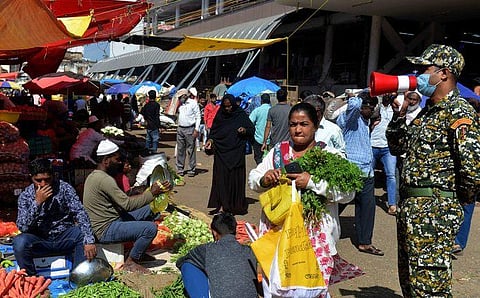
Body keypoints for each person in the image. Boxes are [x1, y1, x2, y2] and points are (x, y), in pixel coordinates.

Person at [386, 44, 480, 297]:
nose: (419, 75)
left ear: (444, 73)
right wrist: (399, 115)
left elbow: (472, 170)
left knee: (431, 289)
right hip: (411, 209)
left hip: (435, 212)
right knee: (412, 284)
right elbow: (397, 147)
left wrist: (451, 204)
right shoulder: (427, 113)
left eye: (424, 68)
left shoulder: (459, 111)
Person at [249, 103, 356, 297]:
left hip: (314, 240)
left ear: (315, 126)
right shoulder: (277, 153)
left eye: (304, 124)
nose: (298, 129)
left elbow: (348, 193)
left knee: (311, 290)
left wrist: (312, 182)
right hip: (278, 237)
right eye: (293, 124)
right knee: (277, 288)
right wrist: (264, 179)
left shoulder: (329, 155)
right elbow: (254, 179)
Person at [83, 139, 170, 273]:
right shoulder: (104, 180)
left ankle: (137, 252)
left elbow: (122, 203)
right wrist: (152, 193)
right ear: (106, 160)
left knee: (149, 210)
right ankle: (131, 262)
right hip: (104, 230)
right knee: (150, 229)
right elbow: (127, 205)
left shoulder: (96, 176)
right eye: (117, 160)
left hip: (112, 220)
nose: (120, 163)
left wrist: (148, 195)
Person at [13, 158, 96, 276]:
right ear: (31, 178)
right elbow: (23, 227)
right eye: (38, 180)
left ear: (53, 176)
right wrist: (37, 203)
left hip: (64, 235)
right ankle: (32, 281)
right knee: (19, 242)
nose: (43, 184)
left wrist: (89, 240)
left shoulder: (64, 188)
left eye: (47, 180)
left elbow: (80, 212)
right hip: (39, 239)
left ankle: (79, 277)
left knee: (82, 234)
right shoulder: (26, 196)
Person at [337, 91, 384, 256]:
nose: (369, 108)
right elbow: (355, 105)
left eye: (372, 106)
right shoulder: (350, 119)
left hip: (367, 172)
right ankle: (318, 230)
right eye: (366, 105)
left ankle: (365, 242)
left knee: (367, 208)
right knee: (338, 203)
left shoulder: (366, 121)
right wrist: (358, 95)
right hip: (351, 170)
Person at [176, 212, 259, 298]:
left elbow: (180, 262)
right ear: (235, 231)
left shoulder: (207, 249)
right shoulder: (249, 251)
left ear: (214, 233)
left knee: (187, 265)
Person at [205, 94, 255, 215]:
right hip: (221, 154)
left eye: (230, 106)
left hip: (236, 154)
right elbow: (214, 132)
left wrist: (244, 130)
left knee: (234, 180)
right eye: (225, 107)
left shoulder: (240, 115)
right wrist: (210, 141)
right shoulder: (220, 115)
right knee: (221, 180)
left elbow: (251, 129)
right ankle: (222, 205)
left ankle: (233, 206)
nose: (228, 109)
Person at [370, 93, 397, 215]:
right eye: (385, 92)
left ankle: (392, 204)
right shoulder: (375, 108)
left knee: (391, 175)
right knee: (368, 175)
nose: (387, 95)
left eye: (390, 92)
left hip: (388, 148)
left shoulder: (395, 109)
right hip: (372, 146)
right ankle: (366, 201)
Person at [176, 87, 201, 177]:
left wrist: (196, 129)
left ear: (185, 95)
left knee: (191, 150)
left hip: (190, 128)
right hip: (180, 128)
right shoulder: (180, 104)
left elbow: (198, 116)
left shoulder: (193, 103)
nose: (179, 98)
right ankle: (180, 168)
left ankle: (191, 169)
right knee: (180, 150)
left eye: (181, 97)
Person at [249, 93, 271, 164]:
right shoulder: (272, 110)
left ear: (261, 101)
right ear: (269, 101)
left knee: (258, 158)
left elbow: (250, 121)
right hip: (270, 139)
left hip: (258, 138)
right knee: (269, 159)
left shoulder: (257, 110)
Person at [140, 90, 161, 154]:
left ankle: (146, 153)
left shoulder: (146, 105)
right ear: (155, 97)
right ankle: (154, 153)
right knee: (155, 140)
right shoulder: (156, 105)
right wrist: (159, 126)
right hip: (154, 125)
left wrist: (146, 119)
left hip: (148, 125)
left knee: (148, 140)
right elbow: (157, 116)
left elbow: (142, 112)